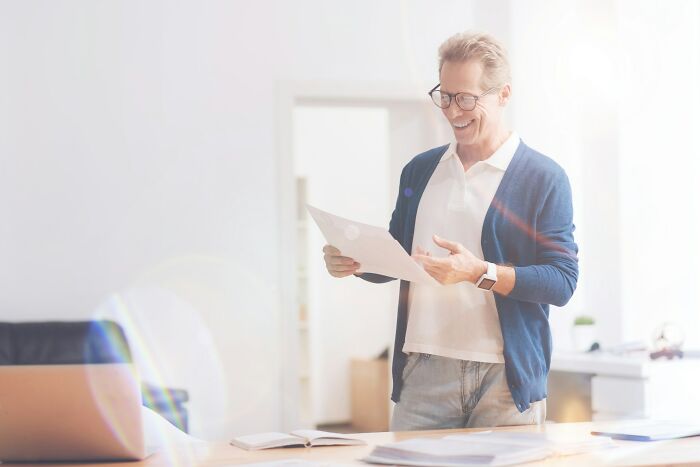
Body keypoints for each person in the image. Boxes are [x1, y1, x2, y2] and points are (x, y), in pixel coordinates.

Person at [322, 31, 578, 430]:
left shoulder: (543, 178)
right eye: (445, 95)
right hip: (422, 375)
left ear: (503, 94)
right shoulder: (420, 171)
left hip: (505, 382)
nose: (452, 110)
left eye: (467, 98)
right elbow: (398, 259)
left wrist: (479, 272)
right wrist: (354, 262)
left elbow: (561, 282)